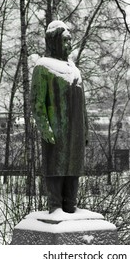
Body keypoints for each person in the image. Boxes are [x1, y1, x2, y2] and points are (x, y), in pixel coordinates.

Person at [31, 20, 88, 213]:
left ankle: (71, 207)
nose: (69, 45)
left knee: (73, 170)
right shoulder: (43, 67)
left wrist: (85, 131)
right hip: (56, 133)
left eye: (70, 40)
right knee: (56, 169)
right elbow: (37, 102)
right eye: (65, 41)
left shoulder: (75, 70)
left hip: (76, 133)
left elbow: (83, 107)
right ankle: (55, 209)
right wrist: (45, 128)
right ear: (54, 41)